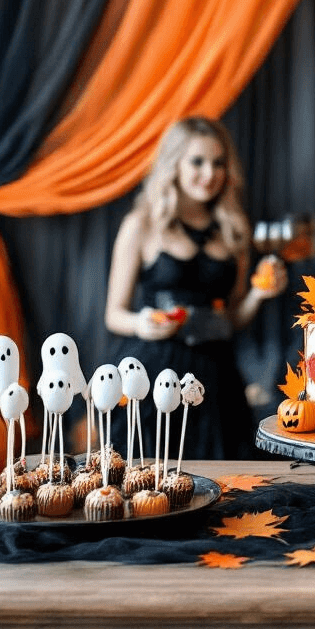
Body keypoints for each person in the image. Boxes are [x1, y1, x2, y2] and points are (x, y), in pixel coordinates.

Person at [105, 117, 287, 461]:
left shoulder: (232, 228)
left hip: (216, 375)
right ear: (174, 164)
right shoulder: (141, 224)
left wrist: (257, 295)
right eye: (198, 161)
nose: (210, 173)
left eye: (219, 163)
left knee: (222, 481)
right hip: (153, 369)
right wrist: (141, 323)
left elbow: (230, 320)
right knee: (149, 477)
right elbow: (113, 315)